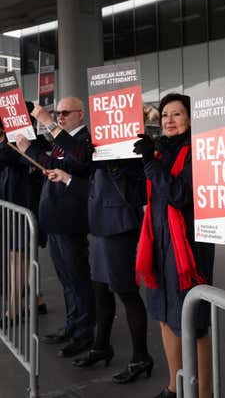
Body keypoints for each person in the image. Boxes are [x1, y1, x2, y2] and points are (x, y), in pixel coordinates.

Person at [41, 140, 152, 379]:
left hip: (120, 229)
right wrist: (67, 179)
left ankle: (141, 357)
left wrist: (114, 164)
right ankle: (101, 346)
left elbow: (133, 192)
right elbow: (93, 190)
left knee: (127, 293)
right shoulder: (99, 150)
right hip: (102, 227)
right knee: (100, 290)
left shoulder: (131, 153)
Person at [133, 93, 213, 398]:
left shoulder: (198, 151)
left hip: (188, 252)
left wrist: (150, 164)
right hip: (159, 246)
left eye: (177, 114)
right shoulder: (161, 152)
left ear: (190, 119)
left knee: (196, 325)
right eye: (165, 114)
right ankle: (175, 386)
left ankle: (204, 393)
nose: (169, 120)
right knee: (166, 318)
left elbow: (179, 194)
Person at [17, 97, 95, 358]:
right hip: (55, 219)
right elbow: (52, 164)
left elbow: (74, 164)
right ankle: (73, 326)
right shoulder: (61, 141)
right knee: (66, 280)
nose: (59, 117)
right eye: (57, 113)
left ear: (80, 115)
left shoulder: (82, 140)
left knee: (78, 278)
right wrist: (29, 150)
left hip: (71, 220)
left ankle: (85, 332)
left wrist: (36, 146)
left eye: (65, 113)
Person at [0, 102, 49, 321]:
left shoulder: (23, 143)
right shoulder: (19, 142)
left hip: (24, 206)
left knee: (16, 257)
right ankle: (36, 299)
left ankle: (13, 309)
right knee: (23, 257)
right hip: (19, 206)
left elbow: (5, 157)